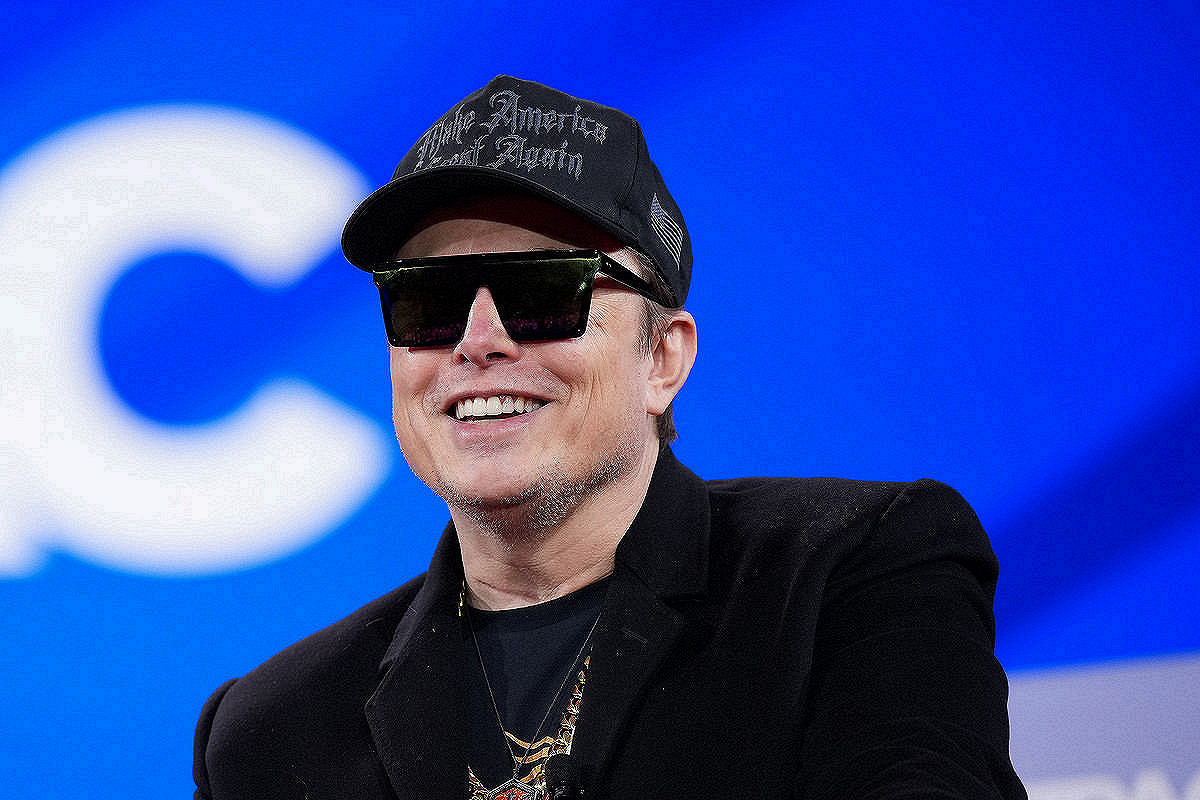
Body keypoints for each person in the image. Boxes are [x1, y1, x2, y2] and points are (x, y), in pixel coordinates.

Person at [193, 75, 1026, 800]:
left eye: (543, 290)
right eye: (428, 300)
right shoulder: (271, 728)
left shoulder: (849, 577)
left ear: (662, 358)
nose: (476, 341)